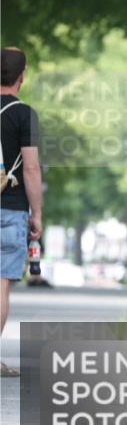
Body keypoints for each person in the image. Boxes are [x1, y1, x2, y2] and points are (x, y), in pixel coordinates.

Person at [1, 48, 42, 377]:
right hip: (9, 208)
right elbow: (30, 168)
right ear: (22, 76)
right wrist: (37, 214)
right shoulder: (24, 114)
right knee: (0, 284)